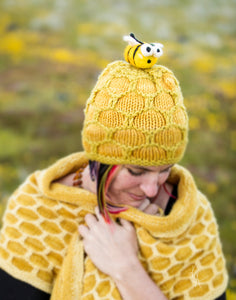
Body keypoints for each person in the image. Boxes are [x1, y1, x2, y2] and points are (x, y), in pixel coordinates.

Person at [0, 36, 228, 300]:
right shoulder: (37, 208)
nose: (152, 189)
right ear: (98, 157)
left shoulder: (190, 217)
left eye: (165, 168)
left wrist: (127, 270)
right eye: (136, 171)